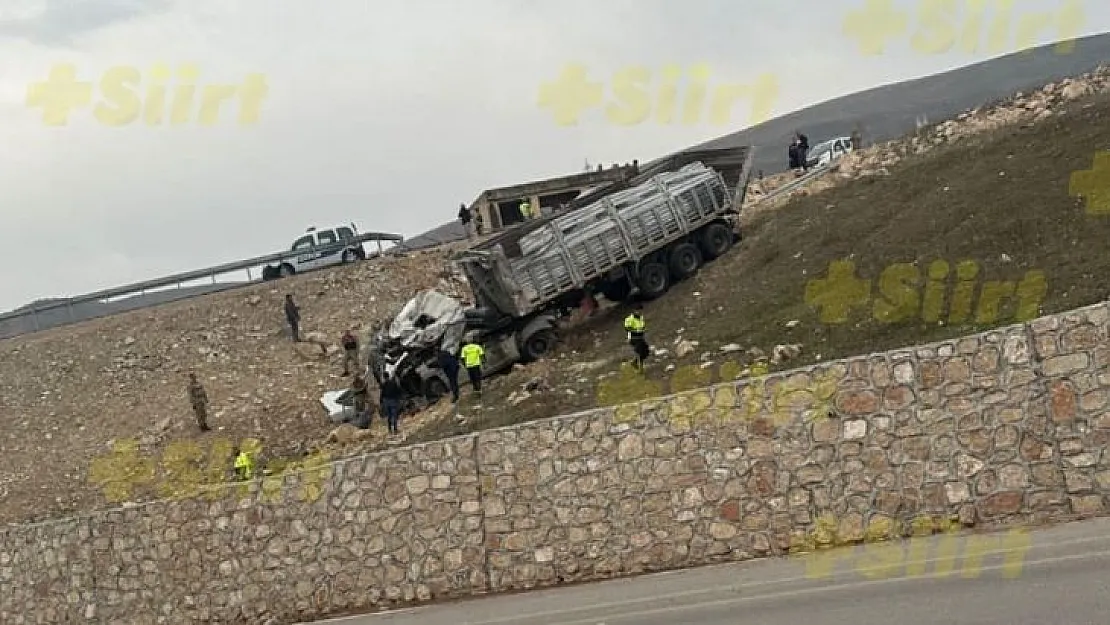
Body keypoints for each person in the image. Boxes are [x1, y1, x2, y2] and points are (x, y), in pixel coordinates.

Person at [623, 305, 649, 371]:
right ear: (635, 311)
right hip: (634, 338)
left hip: (640, 337)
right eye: (638, 311)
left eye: (641, 311)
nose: (640, 312)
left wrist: (644, 330)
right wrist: (637, 331)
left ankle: (636, 363)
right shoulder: (629, 319)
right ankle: (639, 366)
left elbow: (642, 326)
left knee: (645, 351)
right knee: (640, 351)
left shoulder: (641, 318)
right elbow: (627, 329)